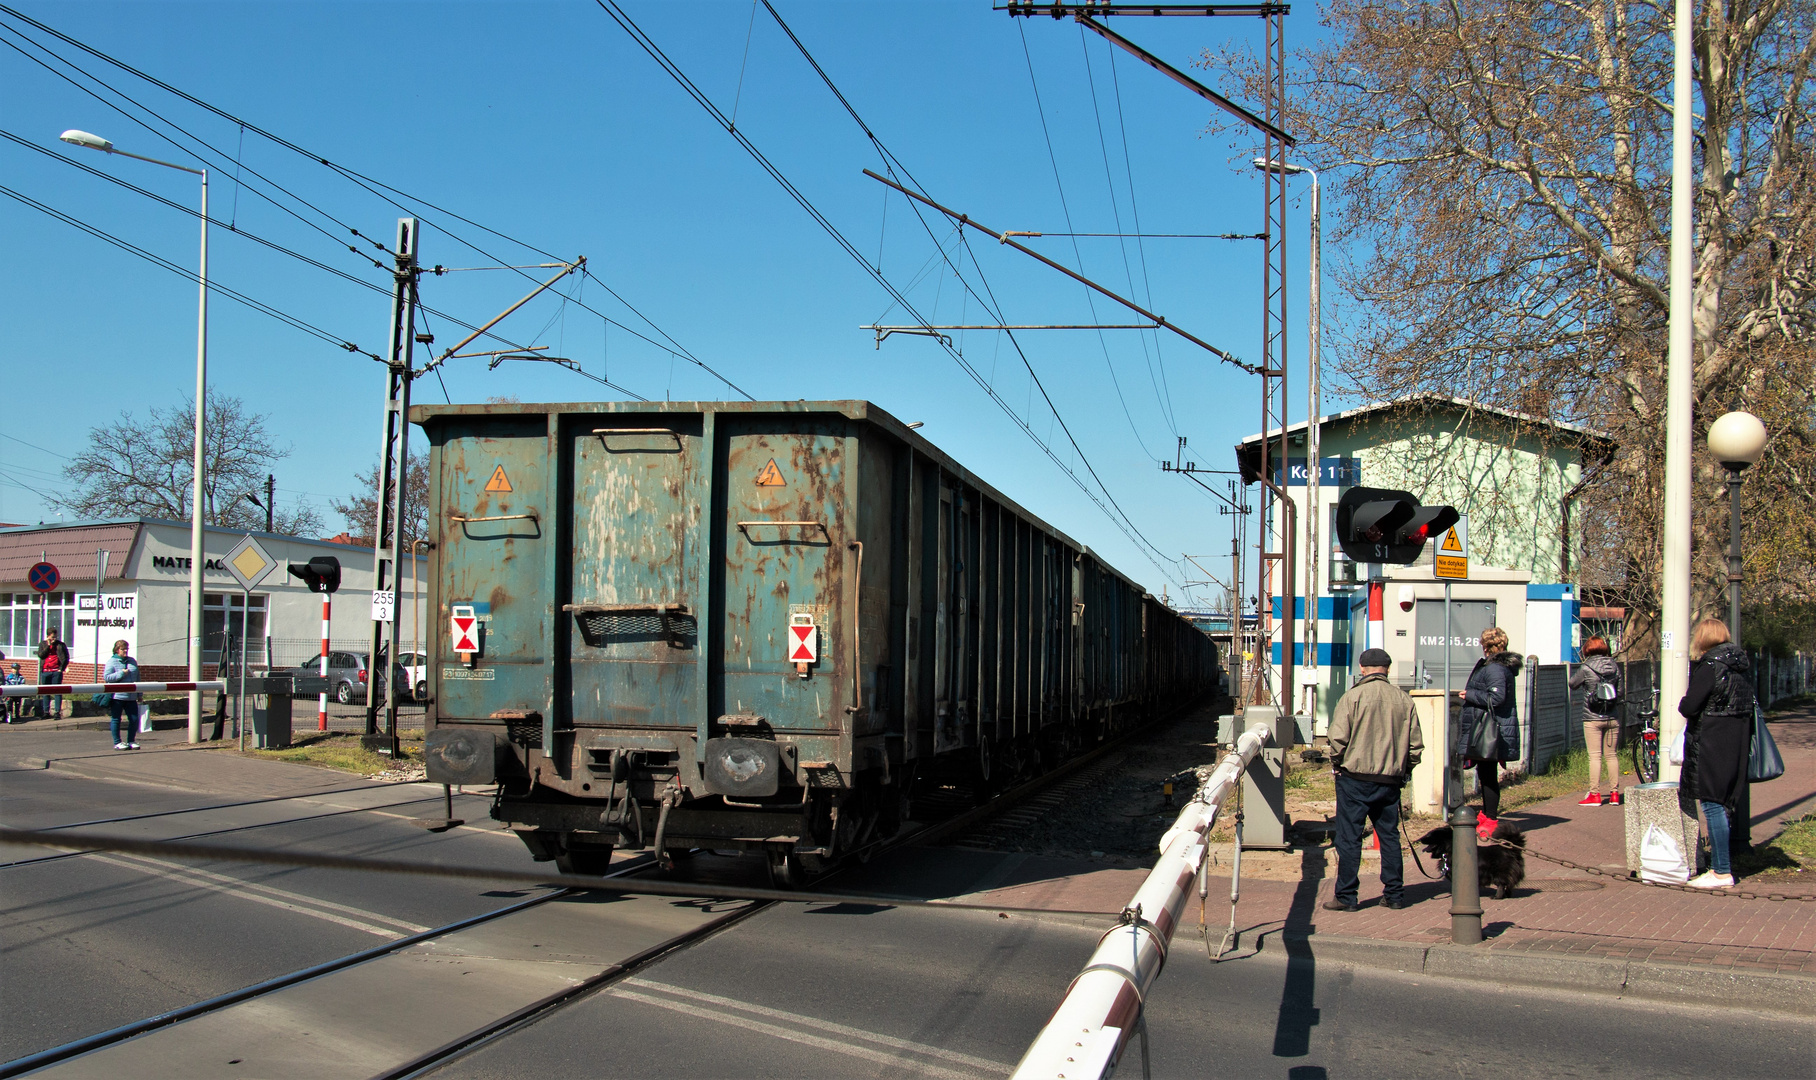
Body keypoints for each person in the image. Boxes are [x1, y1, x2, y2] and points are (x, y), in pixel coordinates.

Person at [1324, 647, 1424, 912]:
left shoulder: (1352, 697)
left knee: (1349, 837)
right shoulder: (1404, 700)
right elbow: (1415, 747)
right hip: (1390, 780)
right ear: (1387, 669)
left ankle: (1346, 897)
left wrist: (1338, 763)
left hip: (1354, 779)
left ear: (1363, 668)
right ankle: (1394, 895)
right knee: (1389, 837)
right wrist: (1405, 771)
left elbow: (1337, 739)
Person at [1678, 618, 1754, 889]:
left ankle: (1721, 871)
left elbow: (1690, 706)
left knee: (1711, 804)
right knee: (1722, 803)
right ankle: (1722, 866)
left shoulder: (1710, 666)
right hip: (1736, 739)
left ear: (1703, 638)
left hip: (1712, 739)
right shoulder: (1741, 667)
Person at [1455, 626, 1523, 835]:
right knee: (1485, 773)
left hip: (1491, 728)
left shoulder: (1494, 668)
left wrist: (1470, 694)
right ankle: (1487, 813)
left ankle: (1491, 818)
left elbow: (1496, 697)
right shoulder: (1498, 666)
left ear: (1485, 646)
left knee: (1488, 774)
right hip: (1493, 726)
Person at [1569, 637, 1624, 806]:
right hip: (1612, 716)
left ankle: (1595, 794)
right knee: (1612, 755)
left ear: (1587, 650)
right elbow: (1621, 691)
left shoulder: (1586, 668)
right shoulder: (1614, 666)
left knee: (1595, 757)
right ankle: (1615, 794)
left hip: (1592, 717)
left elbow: (1572, 683)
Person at [102, 639, 142, 751]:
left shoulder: (132, 661)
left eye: (126, 649)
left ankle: (131, 740)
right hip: (117, 696)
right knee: (116, 719)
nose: (125, 651)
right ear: (117, 650)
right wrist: (121, 673)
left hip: (131, 696)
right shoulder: (112, 661)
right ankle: (117, 742)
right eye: (123, 649)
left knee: (134, 719)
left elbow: (138, 677)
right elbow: (107, 677)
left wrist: (140, 693)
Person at [36, 627, 70, 720]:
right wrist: (48, 645)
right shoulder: (42, 644)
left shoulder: (61, 645)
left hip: (56, 671)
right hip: (45, 671)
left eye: (55, 637)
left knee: (57, 691)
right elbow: (41, 655)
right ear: (48, 637)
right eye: (52, 637)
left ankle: (57, 712)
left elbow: (66, 657)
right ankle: (46, 712)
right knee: (45, 691)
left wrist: (61, 669)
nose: (54, 639)